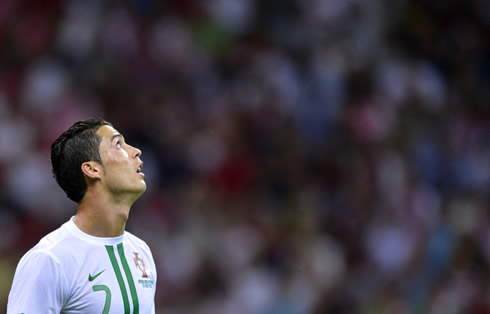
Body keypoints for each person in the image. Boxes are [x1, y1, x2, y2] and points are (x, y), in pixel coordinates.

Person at [7, 118, 157, 313]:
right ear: (92, 169)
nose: (135, 151)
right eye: (118, 144)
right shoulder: (51, 259)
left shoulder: (141, 252)